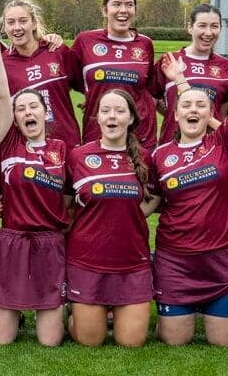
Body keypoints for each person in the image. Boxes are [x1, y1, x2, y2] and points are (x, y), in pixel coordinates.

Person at [148, 25, 228, 347]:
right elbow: (151, 201)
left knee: (226, 343)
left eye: (200, 106)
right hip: (176, 259)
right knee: (175, 341)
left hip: (220, 260)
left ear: (210, 114)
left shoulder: (223, 143)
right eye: (186, 106)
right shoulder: (160, 155)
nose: (193, 109)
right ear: (175, 114)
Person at [0, 31, 71, 347]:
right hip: (13, 241)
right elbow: (0, 92)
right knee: (2, 340)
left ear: (44, 111)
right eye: (20, 108)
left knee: (50, 342)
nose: (26, 113)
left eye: (32, 107)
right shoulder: (9, 143)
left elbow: (72, 197)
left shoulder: (63, 149)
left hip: (50, 242)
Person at [66, 89, 160, 347]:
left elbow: (156, 195)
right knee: (90, 340)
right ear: (97, 118)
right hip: (87, 260)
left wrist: (133, 215)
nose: (112, 117)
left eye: (120, 111)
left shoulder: (145, 158)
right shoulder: (78, 156)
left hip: (131, 262)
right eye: (106, 111)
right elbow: (65, 205)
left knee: (131, 342)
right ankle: (73, 312)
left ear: (131, 118)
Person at [69, 0, 160, 150]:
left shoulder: (145, 44)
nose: (123, 10)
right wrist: (95, 95)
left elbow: (147, 88)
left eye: (129, 5)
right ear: (104, 10)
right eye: (116, 4)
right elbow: (73, 80)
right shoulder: (85, 41)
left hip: (140, 136)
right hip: (98, 133)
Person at [0, 0, 82, 148]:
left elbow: (87, 84)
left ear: (34, 23)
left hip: (67, 146)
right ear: (5, 27)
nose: (17, 27)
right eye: (10, 22)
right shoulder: (2, 64)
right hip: (29, 153)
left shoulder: (57, 50)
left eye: (23, 21)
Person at [155, 4, 228, 145]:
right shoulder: (170, 60)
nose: (209, 32)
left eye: (214, 26)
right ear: (190, 27)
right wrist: (174, 112)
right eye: (202, 26)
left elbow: (222, 110)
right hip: (172, 146)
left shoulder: (225, 66)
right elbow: (151, 97)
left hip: (210, 147)